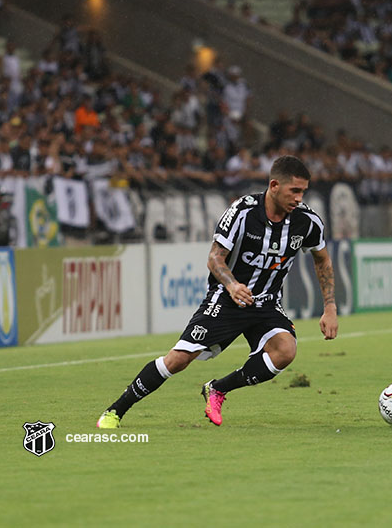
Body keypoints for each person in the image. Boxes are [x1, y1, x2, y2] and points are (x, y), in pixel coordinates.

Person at [96, 156, 339, 428]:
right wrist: (232, 285)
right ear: (273, 185)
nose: (299, 198)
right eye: (294, 191)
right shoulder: (242, 212)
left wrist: (329, 307)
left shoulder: (307, 222)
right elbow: (214, 258)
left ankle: (218, 389)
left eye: (303, 191)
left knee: (285, 350)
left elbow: (322, 259)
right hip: (227, 299)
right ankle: (115, 411)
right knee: (178, 360)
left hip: (267, 304)